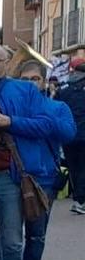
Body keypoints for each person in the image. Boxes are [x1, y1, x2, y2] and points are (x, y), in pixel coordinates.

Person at [0, 54, 74, 260]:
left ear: (43, 82)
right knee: (9, 231)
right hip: (12, 172)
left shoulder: (56, 107)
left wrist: (41, 119)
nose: (31, 83)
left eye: (35, 79)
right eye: (26, 79)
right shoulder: (11, 100)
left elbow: (68, 133)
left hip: (44, 176)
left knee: (36, 231)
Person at [53, 53, 85, 216]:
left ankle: (78, 198)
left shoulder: (63, 88)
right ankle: (81, 201)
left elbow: (56, 109)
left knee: (73, 167)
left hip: (68, 135)